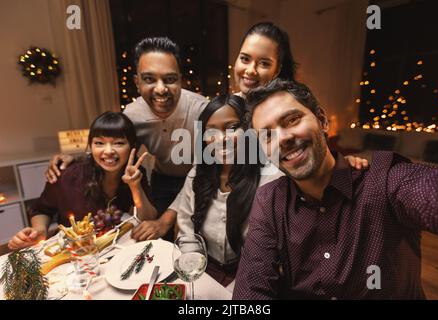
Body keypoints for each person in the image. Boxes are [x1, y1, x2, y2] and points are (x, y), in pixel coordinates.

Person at [232, 79, 438, 299]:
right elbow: (251, 288)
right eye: (267, 135)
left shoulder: (386, 182)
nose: (284, 138)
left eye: (292, 120)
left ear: (322, 120)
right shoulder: (269, 200)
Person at [172, 94, 368, 287]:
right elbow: (186, 232)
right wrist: (196, 278)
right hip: (204, 272)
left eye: (232, 128)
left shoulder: (273, 177)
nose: (221, 139)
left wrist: (345, 163)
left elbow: (317, 174)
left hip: (252, 276)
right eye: (210, 131)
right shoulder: (198, 174)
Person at [45, 37, 208, 241]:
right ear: (137, 82)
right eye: (149, 79)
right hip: (162, 179)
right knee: (156, 239)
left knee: (194, 238)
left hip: (201, 178)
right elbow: (114, 146)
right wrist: (76, 159)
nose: (160, 89)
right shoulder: (132, 113)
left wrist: (165, 222)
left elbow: (203, 170)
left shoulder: (201, 111)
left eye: (169, 79)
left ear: (181, 80)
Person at [8, 112, 156, 250]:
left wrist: (135, 186)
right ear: (90, 146)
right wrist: (39, 231)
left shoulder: (135, 172)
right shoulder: (68, 175)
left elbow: (148, 218)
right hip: (74, 250)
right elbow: (41, 209)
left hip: (112, 248)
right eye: (99, 143)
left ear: (132, 147)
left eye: (118, 143)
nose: (109, 150)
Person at [233, 22, 296, 97]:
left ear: (277, 70)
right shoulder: (224, 106)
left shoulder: (287, 107)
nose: (250, 71)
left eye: (264, 64)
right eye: (245, 59)